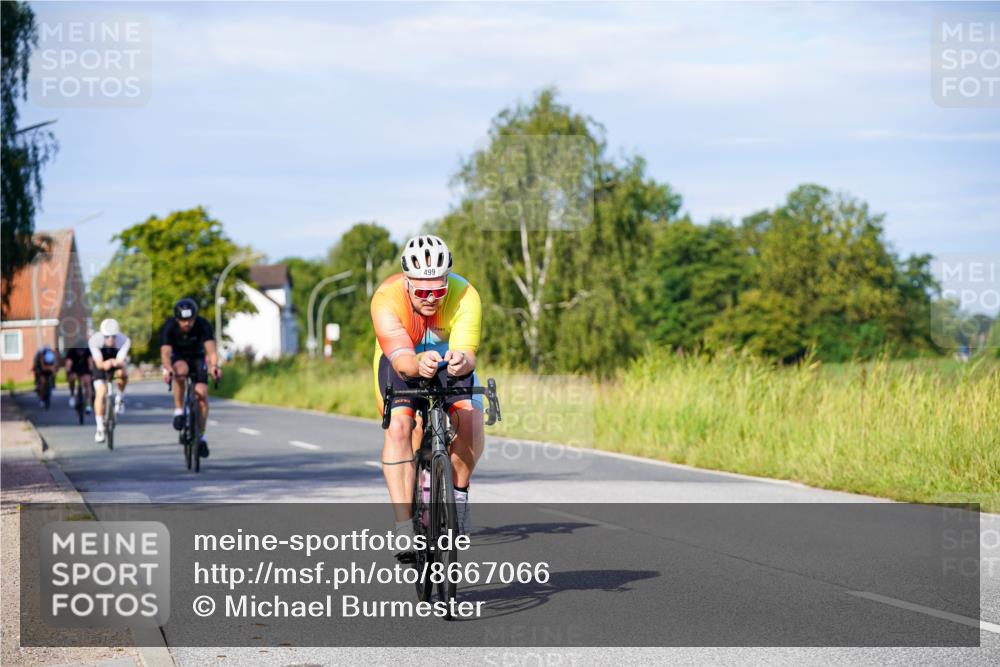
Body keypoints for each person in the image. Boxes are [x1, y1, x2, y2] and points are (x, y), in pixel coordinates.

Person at [371, 234, 483, 548]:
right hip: (402, 357)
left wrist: (462, 360)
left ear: (449, 282)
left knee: (471, 419)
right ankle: (404, 525)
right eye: (421, 291)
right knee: (401, 427)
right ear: (407, 284)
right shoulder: (386, 298)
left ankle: (457, 500)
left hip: (446, 356)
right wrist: (417, 363)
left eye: (438, 290)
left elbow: (469, 353)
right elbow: (404, 363)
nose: (431, 298)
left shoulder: (465, 294)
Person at [160, 298, 221, 459]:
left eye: (190, 320)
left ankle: (201, 436)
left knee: (202, 394)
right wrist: (168, 369)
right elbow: (165, 353)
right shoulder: (169, 326)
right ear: (177, 319)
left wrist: (214, 366)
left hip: (198, 358)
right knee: (179, 371)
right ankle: (179, 410)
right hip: (179, 358)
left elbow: (211, 351)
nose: (187, 323)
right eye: (183, 320)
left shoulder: (203, 325)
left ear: (195, 317)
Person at [89, 319, 131, 442]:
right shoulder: (94, 341)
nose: (110, 339)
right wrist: (105, 364)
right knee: (101, 392)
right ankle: (100, 428)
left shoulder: (124, 340)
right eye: (107, 337)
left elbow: (120, 360)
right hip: (101, 365)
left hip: (115, 362)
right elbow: (98, 363)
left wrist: (114, 363)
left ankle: (119, 398)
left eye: (113, 336)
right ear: (102, 335)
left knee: (122, 373)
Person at [64, 341, 94, 413]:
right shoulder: (72, 352)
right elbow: (68, 364)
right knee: (72, 379)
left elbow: (90, 363)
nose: (81, 352)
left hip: (85, 369)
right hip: (74, 369)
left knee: (88, 384)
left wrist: (91, 373)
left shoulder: (88, 351)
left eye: (82, 350)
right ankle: (72, 394)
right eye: (79, 350)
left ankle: (88, 404)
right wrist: (68, 374)